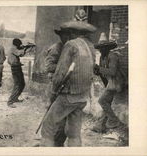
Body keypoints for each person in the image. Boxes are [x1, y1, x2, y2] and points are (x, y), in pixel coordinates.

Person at [40, 10, 97, 147]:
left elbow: (60, 74)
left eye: (69, 31)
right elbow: (92, 70)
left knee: (48, 127)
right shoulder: (90, 47)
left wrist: (53, 93)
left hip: (68, 95)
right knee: (73, 132)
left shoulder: (71, 45)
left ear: (72, 30)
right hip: (82, 96)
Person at [92, 33, 126, 133]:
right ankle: (100, 127)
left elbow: (112, 72)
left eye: (103, 48)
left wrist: (99, 69)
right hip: (110, 83)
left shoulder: (113, 56)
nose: (101, 50)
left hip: (116, 82)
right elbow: (103, 73)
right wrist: (97, 72)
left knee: (102, 101)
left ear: (107, 48)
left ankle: (114, 121)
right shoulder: (102, 58)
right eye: (100, 48)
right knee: (106, 103)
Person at [7, 38, 26, 108]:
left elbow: (20, 55)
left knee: (22, 84)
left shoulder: (13, 49)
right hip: (15, 68)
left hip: (17, 67)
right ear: (17, 44)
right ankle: (10, 101)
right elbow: (19, 53)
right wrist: (24, 49)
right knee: (17, 84)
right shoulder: (13, 49)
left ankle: (15, 98)